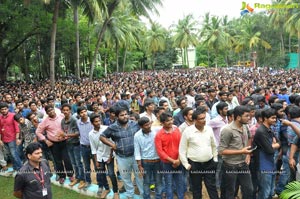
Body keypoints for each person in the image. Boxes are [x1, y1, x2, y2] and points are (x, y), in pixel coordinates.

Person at [100, 107, 143, 199]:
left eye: (126, 114)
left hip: (136, 156)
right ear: (117, 117)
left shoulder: (135, 124)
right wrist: (112, 144)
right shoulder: (113, 127)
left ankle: (143, 195)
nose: (125, 116)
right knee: (126, 177)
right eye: (122, 115)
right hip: (122, 157)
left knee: (139, 176)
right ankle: (130, 194)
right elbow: (102, 137)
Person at [179, 108, 219, 199]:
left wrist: (215, 159)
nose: (204, 120)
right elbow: (182, 150)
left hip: (209, 163)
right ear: (195, 120)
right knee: (196, 188)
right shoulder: (187, 131)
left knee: (212, 186)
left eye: (204, 118)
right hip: (194, 164)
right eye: (201, 119)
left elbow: (214, 145)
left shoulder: (209, 129)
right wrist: (186, 164)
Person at [218, 106, 253, 199]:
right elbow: (221, 151)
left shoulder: (245, 126)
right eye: (246, 116)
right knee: (231, 191)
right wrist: (241, 151)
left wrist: (248, 154)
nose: (249, 118)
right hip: (230, 165)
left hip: (243, 164)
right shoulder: (227, 130)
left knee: (249, 189)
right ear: (238, 117)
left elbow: (249, 138)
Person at [35, 105, 73, 184]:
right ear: (46, 112)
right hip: (53, 144)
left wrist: (67, 134)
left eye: (52, 110)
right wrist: (46, 140)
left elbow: (70, 125)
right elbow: (38, 132)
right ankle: (62, 176)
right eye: (48, 111)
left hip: (64, 142)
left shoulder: (62, 116)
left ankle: (71, 175)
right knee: (57, 161)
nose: (51, 112)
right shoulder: (45, 121)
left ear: (54, 109)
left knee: (67, 159)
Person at [89, 113, 119, 199]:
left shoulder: (106, 129)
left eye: (99, 121)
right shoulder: (91, 134)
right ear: (92, 123)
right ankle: (106, 189)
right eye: (96, 121)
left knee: (111, 174)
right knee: (101, 173)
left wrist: (110, 156)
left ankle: (116, 192)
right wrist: (96, 161)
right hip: (99, 157)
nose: (98, 123)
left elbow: (112, 144)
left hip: (109, 155)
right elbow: (93, 149)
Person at [155, 112, 184, 199]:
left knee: (180, 182)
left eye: (171, 119)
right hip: (167, 163)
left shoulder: (177, 130)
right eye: (168, 121)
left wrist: (178, 159)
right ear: (162, 123)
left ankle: (181, 197)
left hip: (179, 161)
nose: (171, 122)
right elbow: (160, 152)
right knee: (168, 183)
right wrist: (173, 161)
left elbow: (182, 145)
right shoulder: (159, 135)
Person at [253, 108, 280, 199]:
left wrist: (274, 145)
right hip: (263, 164)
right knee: (265, 191)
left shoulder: (269, 129)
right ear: (265, 118)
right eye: (272, 118)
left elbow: (279, 143)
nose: (274, 120)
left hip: (270, 163)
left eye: (275, 118)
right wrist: (274, 145)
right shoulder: (261, 131)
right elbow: (270, 150)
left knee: (270, 190)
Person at [134, 117, 163, 199]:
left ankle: (158, 197)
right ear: (141, 127)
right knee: (146, 182)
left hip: (158, 161)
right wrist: (140, 166)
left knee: (158, 181)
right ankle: (146, 197)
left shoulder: (156, 130)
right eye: (146, 125)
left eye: (149, 124)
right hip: (145, 162)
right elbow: (137, 151)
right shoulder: (137, 136)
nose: (149, 126)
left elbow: (168, 127)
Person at [60, 103, 84, 187]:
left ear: (70, 111)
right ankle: (77, 178)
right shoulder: (62, 121)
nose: (66, 112)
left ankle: (82, 179)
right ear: (62, 111)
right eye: (64, 110)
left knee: (78, 162)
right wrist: (62, 136)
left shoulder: (74, 120)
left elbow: (78, 133)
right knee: (73, 163)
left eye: (67, 110)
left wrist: (66, 135)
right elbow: (64, 132)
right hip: (68, 144)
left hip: (76, 144)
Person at [0, 102, 22, 171]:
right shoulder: (0, 118)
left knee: (14, 154)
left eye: (5, 109)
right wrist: (0, 140)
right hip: (4, 139)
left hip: (12, 138)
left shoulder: (13, 116)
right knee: (10, 154)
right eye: (2, 109)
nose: (4, 110)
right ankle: (15, 168)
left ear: (8, 109)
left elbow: (17, 128)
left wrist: (17, 138)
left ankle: (20, 168)